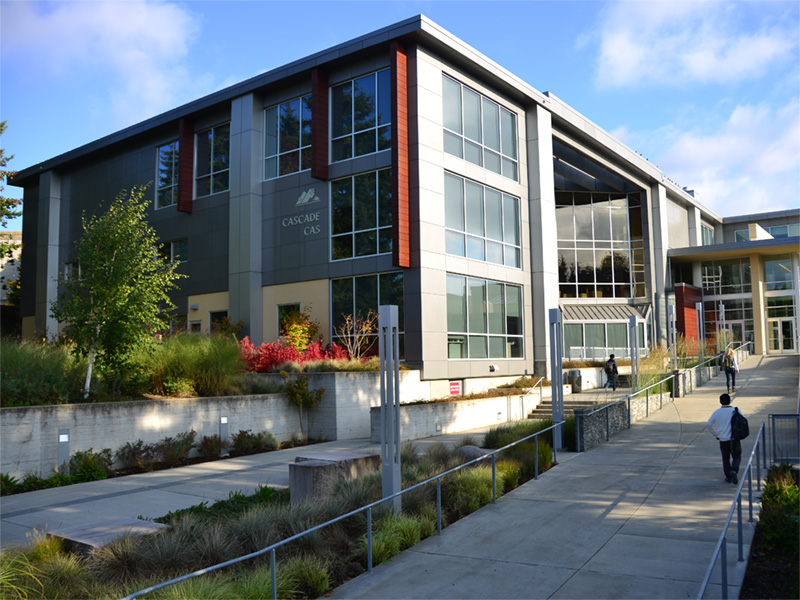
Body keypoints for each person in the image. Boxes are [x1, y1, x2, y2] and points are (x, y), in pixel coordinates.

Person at [707, 393, 742, 484]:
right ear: (729, 401)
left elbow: (709, 424)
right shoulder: (735, 411)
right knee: (737, 456)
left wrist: (716, 434)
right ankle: (734, 470)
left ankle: (728, 477)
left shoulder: (717, 412)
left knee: (725, 458)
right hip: (734, 438)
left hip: (723, 439)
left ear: (720, 402)